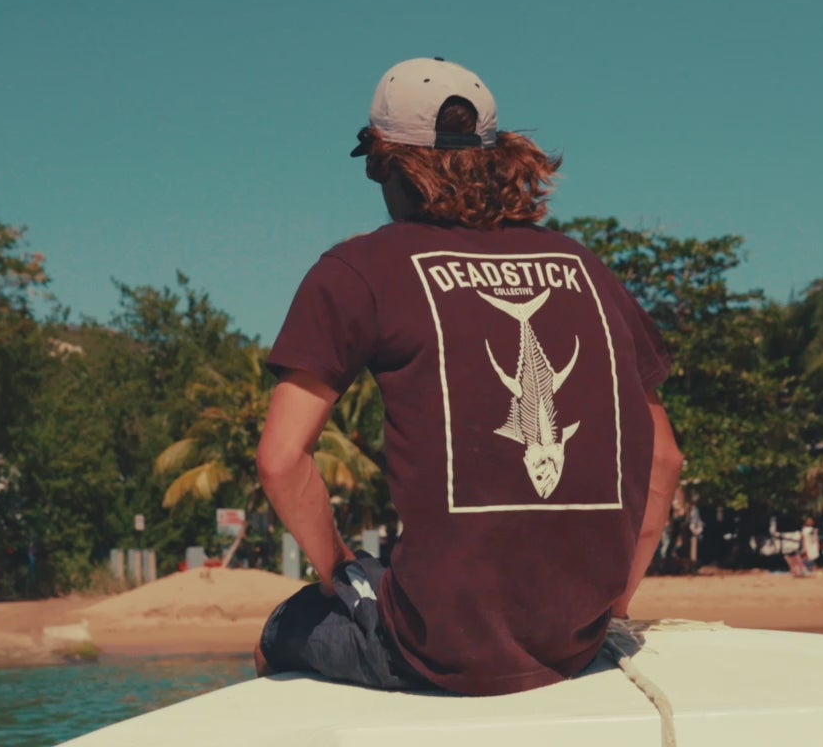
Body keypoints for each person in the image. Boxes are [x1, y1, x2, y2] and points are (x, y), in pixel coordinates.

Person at [252, 58, 682, 697]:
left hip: (434, 648)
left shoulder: (357, 269)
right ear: (497, 157)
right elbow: (664, 460)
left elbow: (282, 460)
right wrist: (611, 608)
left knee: (281, 631)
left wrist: (340, 572)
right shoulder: (583, 265)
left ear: (384, 163)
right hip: (577, 639)